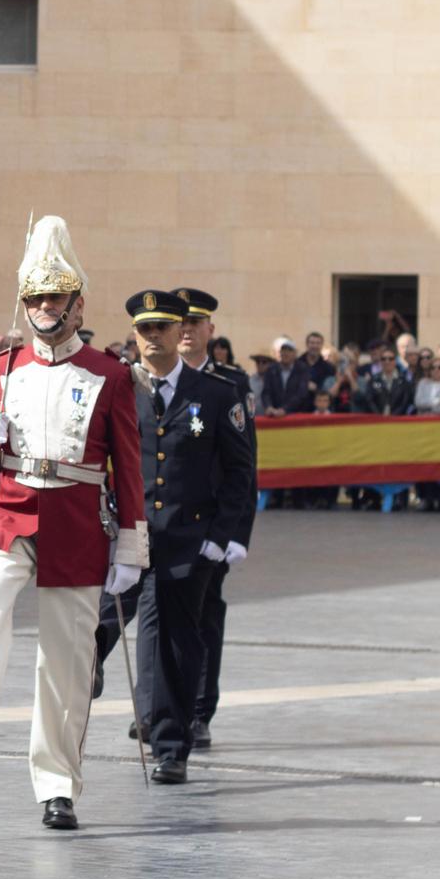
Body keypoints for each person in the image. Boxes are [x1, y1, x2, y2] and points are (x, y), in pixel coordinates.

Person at [0, 217, 144, 832]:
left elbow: (127, 465)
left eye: (55, 296)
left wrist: (131, 544)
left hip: (77, 517)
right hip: (8, 507)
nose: (44, 307)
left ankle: (57, 784)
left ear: (78, 304)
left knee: (66, 659)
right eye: (34, 297)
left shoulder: (110, 375)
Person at [94, 291, 253, 781]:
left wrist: (222, 537)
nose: (154, 337)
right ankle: (81, 682)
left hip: (188, 540)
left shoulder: (215, 394)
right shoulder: (120, 389)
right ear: (135, 336)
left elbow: (239, 472)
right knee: (97, 621)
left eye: (163, 328)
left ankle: (170, 746)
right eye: (145, 330)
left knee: (175, 646)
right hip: (130, 535)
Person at [174, 287, 256, 744]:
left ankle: (198, 710)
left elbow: (245, 465)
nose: (186, 331)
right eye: (179, 323)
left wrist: (236, 533)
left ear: (211, 330)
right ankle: (161, 706)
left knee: (204, 618)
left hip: (210, 527)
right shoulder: (150, 379)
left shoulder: (230, 385)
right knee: (160, 618)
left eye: (195, 323)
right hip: (166, 524)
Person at [259, 337, 314, 417]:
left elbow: (301, 393)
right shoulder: (272, 369)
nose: (286, 354)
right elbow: (266, 392)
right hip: (274, 415)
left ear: (295, 353)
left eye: (289, 351)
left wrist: (285, 409)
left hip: (295, 415)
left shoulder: (302, 369)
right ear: (280, 353)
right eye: (283, 351)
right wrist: (268, 407)